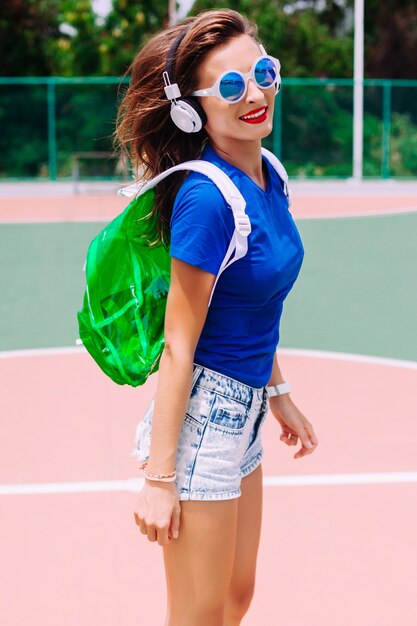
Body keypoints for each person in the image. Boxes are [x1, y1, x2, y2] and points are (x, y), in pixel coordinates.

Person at [115, 8, 318, 626]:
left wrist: (278, 392)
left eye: (262, 72)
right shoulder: (207, 199)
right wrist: (159, 478)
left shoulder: (270, 173)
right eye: (231, 86)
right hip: (205, 422)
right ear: (193, 107)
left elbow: (255, 304)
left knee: (235, 598)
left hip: (247, 410)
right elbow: (181, 345)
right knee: (198, 615)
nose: (255, 94)